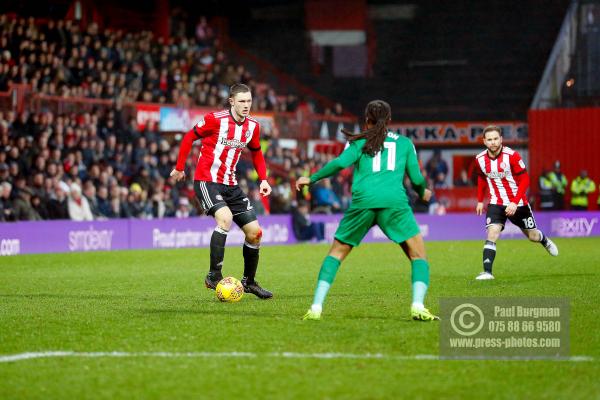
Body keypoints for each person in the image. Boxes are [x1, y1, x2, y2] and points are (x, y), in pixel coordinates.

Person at [296, 100, 437, 321]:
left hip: (363, 202)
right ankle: (417, 305)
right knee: (418, 256)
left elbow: (339, 164)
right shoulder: (405, 143)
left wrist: (312, 178)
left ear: (366, 120)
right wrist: (422, 191)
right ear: (389, 120)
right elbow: (416, 178)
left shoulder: (359, 141)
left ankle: (316, 307)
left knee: (336, 253)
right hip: (394, 204)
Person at [170, 83, 273, 299]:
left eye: (249, 101)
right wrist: (180, 167)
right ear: (232, 101)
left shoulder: (253, 126)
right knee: (224, 219)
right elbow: (189, 137)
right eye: (242, 101)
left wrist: (263, 179)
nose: (246, 105)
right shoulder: (215, 119)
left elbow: (256, 152)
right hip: (207, 181)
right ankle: (214, 276)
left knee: (255, 234)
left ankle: (249, 281)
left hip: (231, 185)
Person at [474, 125, 558, 280]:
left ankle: (544, 240)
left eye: (495, 139)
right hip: (496, 202)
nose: (493, 142)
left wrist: (514, 201)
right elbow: (481, 177)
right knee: (492, 233)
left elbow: (525, 179)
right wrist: (480, 200)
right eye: (489, 139)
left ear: (501, 139)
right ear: (484, 141)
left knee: (532, 236)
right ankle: (487, 272)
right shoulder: (479, 159)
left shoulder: (512, 156)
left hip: (518, 203)